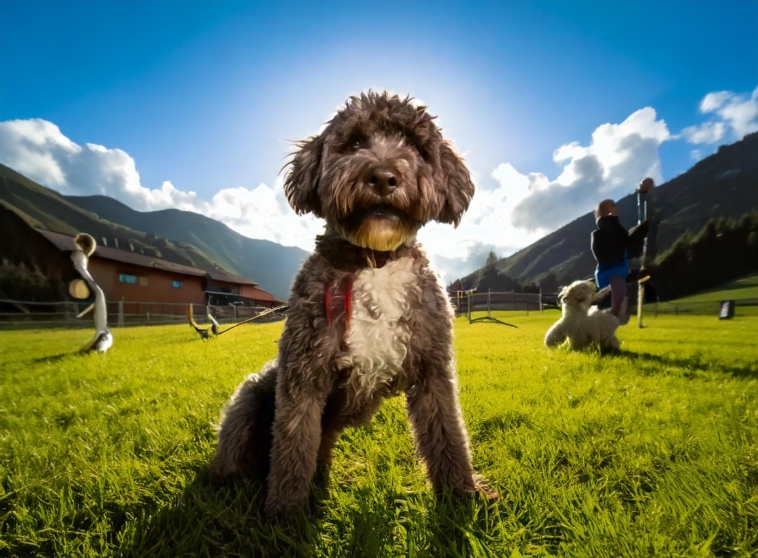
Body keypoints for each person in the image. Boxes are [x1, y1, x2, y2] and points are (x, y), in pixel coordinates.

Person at [591, 198, 649, 325]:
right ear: (609, 211)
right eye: (614, 207)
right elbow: (623, 245)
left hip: (617, 273)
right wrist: (642, 230)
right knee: (614, 308)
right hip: (611, 274)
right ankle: (603, 327)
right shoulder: (601, 233)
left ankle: (604, 331)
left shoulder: (616, 230)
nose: (617, 210)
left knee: (616, 310)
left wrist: (642, 230)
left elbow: (627, 247)